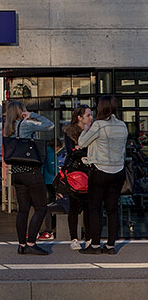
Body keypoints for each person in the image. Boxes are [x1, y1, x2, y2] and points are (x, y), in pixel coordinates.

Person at [77, 95, 128, 255]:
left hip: (100, 170)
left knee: (95, 208)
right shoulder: (122, 125)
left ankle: (95, 245)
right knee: (112, 209)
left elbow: (82, 143)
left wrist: (86, 128)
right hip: (118, 170)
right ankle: (111, 246)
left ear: (101, 107)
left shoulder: (98, 125)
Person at [4, 100, 53, 255]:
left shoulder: (7, 128)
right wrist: (33, 115)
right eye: (24, 109)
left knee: (22, 210)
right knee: (41, 207)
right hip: (32, 172)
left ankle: (22, 244)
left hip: (17, 173)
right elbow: (49, 125)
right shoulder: (26, 124)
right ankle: (31, 242)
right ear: (20, 111)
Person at [62, 105, 93, 249]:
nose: (91, 118)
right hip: (75, 171)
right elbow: (71, 151)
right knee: (74, 205)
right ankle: (74, 238)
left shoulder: (94, 131)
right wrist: (81, 151)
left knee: (89, 206)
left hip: (90, 171)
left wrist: (80, 149)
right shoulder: (70, 132)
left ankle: (89, 237)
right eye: (88, 115)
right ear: (80, 117)